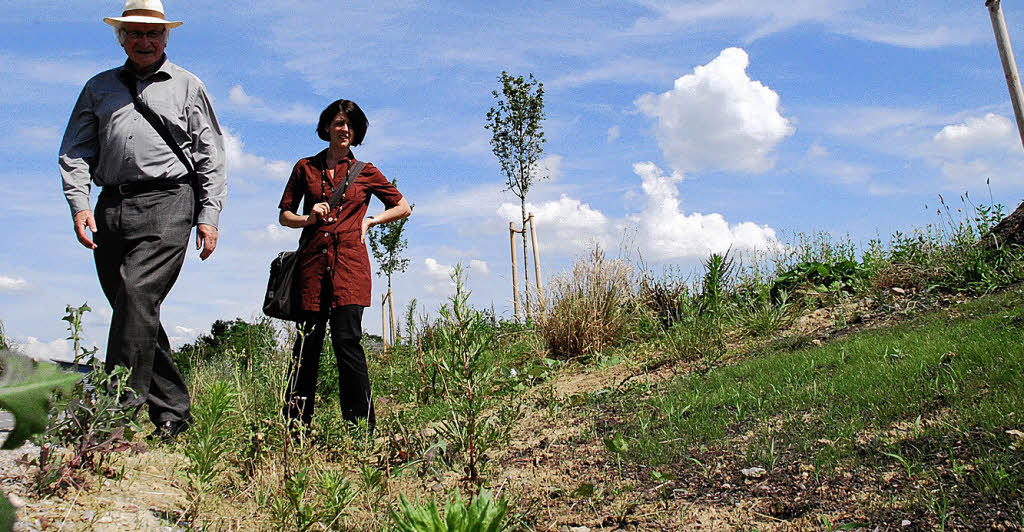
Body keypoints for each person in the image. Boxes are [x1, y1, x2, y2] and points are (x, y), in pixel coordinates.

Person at [59, 0, 226, 441]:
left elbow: (211, 156)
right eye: (135, 33)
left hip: (171, 200)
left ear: (166, 38)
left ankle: (112, 420)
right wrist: (79, 205)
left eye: (153, 34)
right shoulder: (98, 88)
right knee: (134, 309)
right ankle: (173, 411)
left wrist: (208, 216)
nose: (145, 41)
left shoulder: (189, 86)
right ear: (122, 38)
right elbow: (75, 151)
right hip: (110, 206)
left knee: (136, 295)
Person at [278, 99, 411, 433]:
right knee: (306, 344)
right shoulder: (304, 167)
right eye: (339, 123)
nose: (344, 130)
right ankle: (295, 429)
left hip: (350, 267)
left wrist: (370, 221)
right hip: (311, 266)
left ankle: (361, 431)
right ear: (326, 127)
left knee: (347, 343)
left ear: (357, 132)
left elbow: (403, 206)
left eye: (351, 125)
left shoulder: (366, 171)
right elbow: (284, 215)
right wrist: (308, 218)